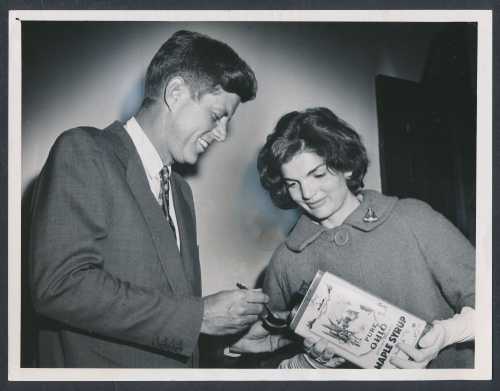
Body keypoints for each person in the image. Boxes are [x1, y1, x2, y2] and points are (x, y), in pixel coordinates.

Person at [29, 30, 288, 368]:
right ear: (176, 92)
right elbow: (59, 286)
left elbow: (166, 320)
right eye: (216, 115)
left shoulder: (180, 191)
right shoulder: (85, 151)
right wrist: (199, 317)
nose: (223, 133)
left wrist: (226, 341)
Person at [257, 107, 475, 369]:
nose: (307, 193)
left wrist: (446, 334)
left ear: (346, 167)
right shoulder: (285, 262)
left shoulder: (412, 218)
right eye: (293, 183)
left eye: (317, 174)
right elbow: (269, 356)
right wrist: (311, 362)